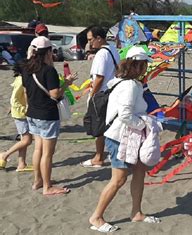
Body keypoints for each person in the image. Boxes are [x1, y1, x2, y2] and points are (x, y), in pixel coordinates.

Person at [89, 47, 160, 232]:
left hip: (130, 136)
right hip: (121, 136)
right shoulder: (129, 86)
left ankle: (136, 212)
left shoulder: (124, 82)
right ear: (139, 65)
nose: (147, 69)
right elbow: (125, 115)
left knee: (139, 171)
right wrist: (145, 124)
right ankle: (96, 217)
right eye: (145, 65)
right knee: (118, 179)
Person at [21, 36, 77, 195]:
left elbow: (26, 92)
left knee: (38, 148)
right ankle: (47, 187)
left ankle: (37, 181)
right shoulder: (48, 70)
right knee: (47, 153)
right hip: (46, 114)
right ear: (48, 52)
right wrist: (67, 83)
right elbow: (54, 94)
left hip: (32, 112)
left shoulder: (26, 67)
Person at [81, 27, 120, 168]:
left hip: (102, 94)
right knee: (110, 125)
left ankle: (98, 157)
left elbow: (99, 78)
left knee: (99, 126)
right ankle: (110, 153)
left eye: (91, 40)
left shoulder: (101, 54)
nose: (90, 43)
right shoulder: (113, 49)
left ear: (99, 38)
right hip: (112, 92)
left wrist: (92, 96)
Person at [0, 63, 33, 172]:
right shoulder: (23, 79)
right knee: (27, 140)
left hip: (18, 111)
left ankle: (21, 164)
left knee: (24, 139)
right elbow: (24, 93)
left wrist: (12, 106)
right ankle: (4, 155)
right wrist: (27, 107)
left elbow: (15, 95)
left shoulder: (19, 78)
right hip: (21, 112)